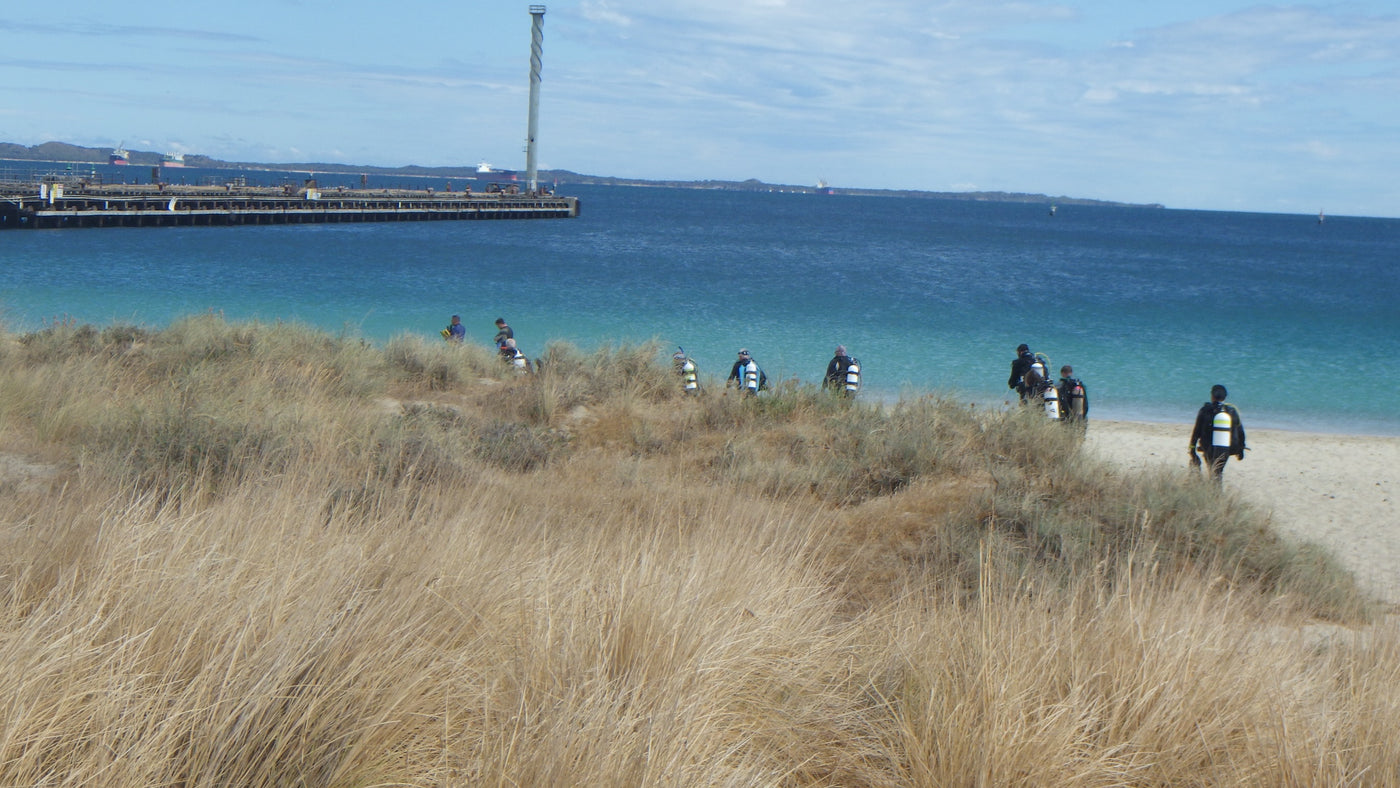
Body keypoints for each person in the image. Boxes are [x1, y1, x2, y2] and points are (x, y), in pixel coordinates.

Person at [1189, 384, 1247, 482]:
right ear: (1225, 397)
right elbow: (1240, 432)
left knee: (1213, 470)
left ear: (1212, 396)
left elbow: (1196, 432)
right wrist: (1241, 450)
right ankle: (1216, 489)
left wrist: (1192, 449)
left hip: (1208, 448)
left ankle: (1214, 490)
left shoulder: (1205, 410)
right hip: (1225, 449)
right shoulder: (1231, 411)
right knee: (1218, 471)